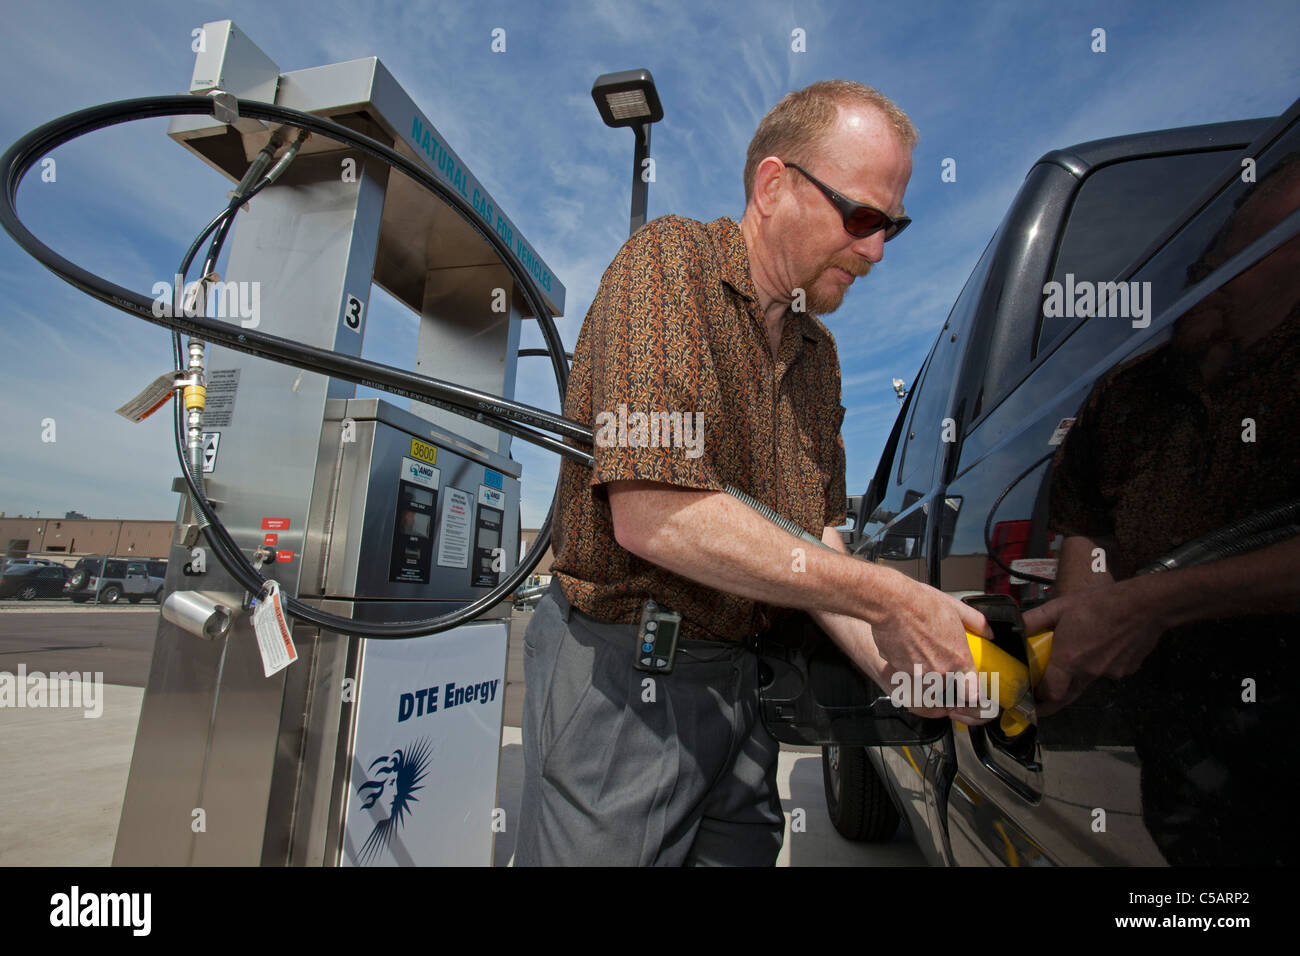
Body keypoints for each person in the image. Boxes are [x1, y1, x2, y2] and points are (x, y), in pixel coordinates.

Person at [515, 80, 991, 867]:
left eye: (892, 228)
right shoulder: (669, 263)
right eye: (863, 218)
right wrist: (896, 596)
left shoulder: (819, 360)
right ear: (774, 186)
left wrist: (904, 669)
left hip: (743, 688)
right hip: (623, 677)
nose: (875, 251)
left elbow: (818, 544)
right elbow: (655, 510)